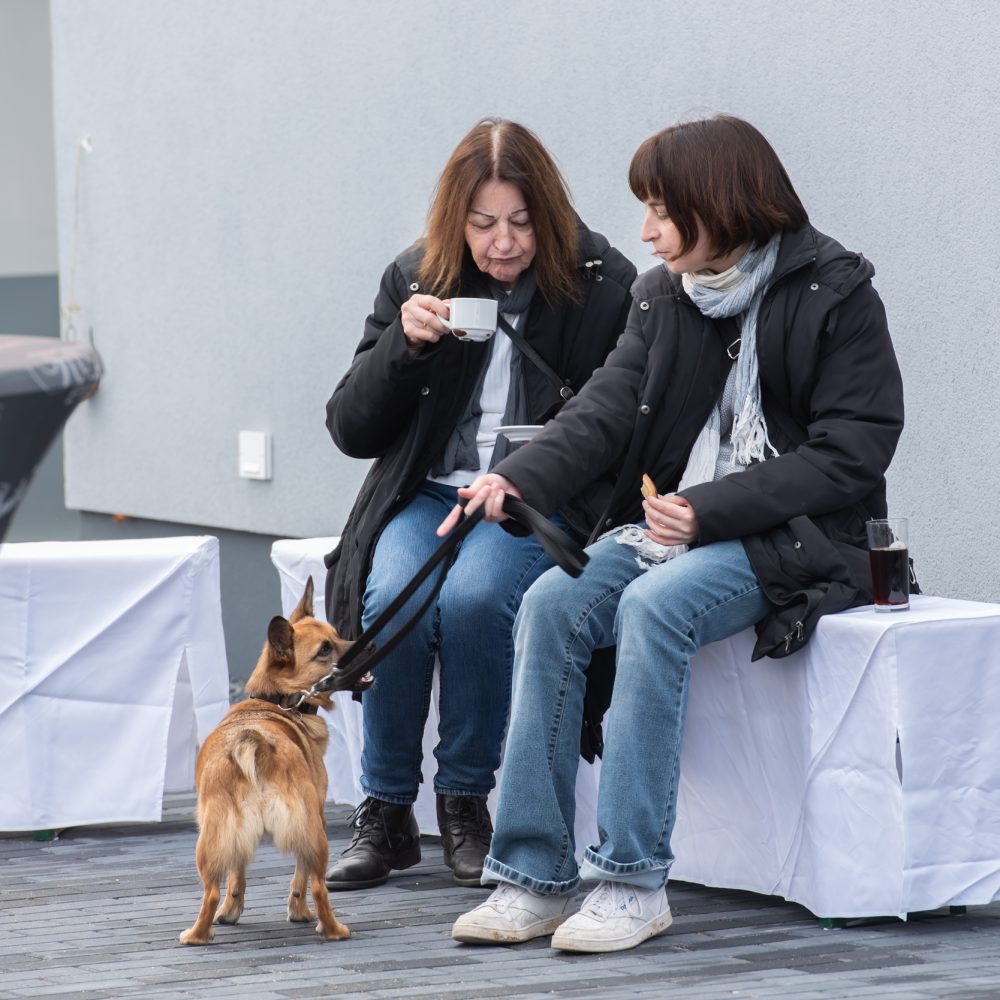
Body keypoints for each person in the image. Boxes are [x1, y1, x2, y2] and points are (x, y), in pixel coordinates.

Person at [444, 115, 904, 952]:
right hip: (671, 527)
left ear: (718, 206)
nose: (646, 230)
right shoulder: (664, 295)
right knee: (551, 600)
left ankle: (630, 881)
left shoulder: (833, 291)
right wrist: (517, 479)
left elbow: (854, 450)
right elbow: (605, 410)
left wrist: (711, 510)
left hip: (793, 537)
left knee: (654, 607)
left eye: (660, 209)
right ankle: (534, 877)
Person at [323, 118, 637, 890]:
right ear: (454, 221)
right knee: (393, 594)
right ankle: (386, 810)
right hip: (428, 491)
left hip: (535, 497)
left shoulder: (602, 282)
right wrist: (405, 345)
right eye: (484, 224)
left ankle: (465, 801)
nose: (503, 244)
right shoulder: (417, 276)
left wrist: (535, 476)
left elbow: (621, 420)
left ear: (550, 215)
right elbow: (349, 427)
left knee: (474, 598)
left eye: (522, 223)